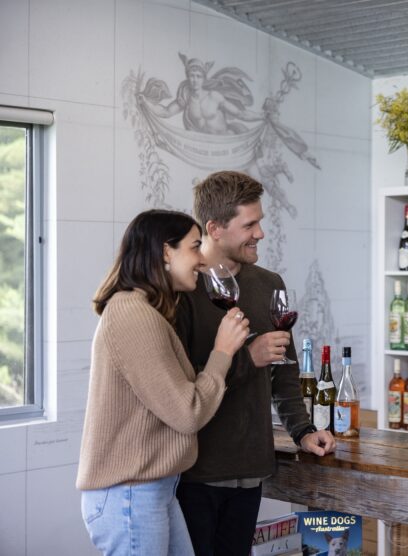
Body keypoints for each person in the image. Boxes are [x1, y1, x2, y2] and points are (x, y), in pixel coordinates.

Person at [175, 170, 336, 556]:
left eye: (259, 222)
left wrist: (303, 430)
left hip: (252, 468)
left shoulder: (269, 283)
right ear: (214, 228)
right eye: (250, 224)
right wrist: (248, 357)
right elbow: (182, 389)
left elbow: (285, 373)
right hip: (196, 472)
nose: (260, 233)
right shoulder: (183, 292)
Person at [76, 210, 250, 555]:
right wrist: (223, 352)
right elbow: (187, 413)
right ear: (165, 252)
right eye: (195, 247)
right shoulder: (133, 315)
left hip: (150, 491)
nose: (202, 260)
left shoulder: (144, 311)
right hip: (131, 496)